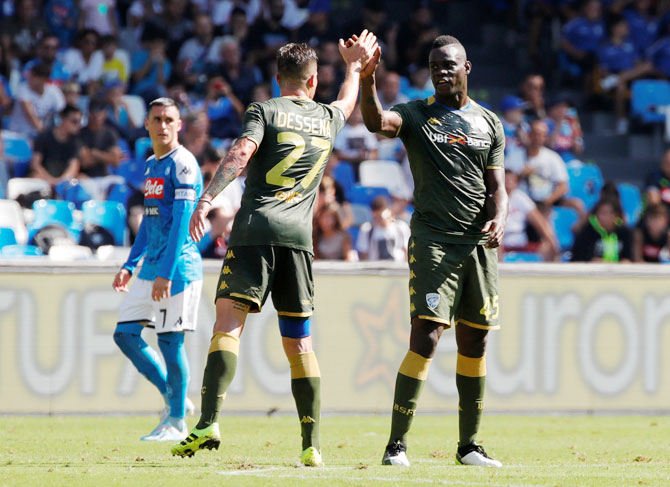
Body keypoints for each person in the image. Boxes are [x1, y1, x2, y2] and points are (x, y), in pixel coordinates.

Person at [171, 33, 379, 466]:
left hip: (254, 231)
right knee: (299, 344)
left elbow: (241, 152)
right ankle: (312, 445)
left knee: (228, 327)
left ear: (277, 78)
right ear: (313, 79)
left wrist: (207, 199)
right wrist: (353, 67)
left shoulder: (264, 110)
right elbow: (346, 102)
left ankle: (208, 421)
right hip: (299, 242)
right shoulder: (326, 116)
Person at [359, 34, 507, 467]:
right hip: (434, 241)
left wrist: (501, 217)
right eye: (434, 65)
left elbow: (499, 187)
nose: (441, 71)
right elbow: (375, 123)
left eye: (449, 64)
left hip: (479, 245)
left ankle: (469, 446)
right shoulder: (417, 114)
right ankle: (396, 445)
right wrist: (368, 80)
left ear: (467, 68)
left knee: (474, 343)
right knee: (426, 335)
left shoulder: (490, 124)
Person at [112, 97, 203, 441]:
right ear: (147, 124)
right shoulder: (152, 165)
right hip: (151, 267)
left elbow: (182, 223)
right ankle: (173, 397)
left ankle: (177, 422)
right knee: (125, 334)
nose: (163, 125)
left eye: (169, 119)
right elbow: (150, 225)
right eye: (157, 119)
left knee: (169, 343)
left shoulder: (183, 164)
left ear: (179, 125)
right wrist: (129, 265)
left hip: (177, 270)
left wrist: (166, 271)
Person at [29, 104, 83, 188]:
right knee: (36, 177)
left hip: (63, 182)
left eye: (79, 122)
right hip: (44, 177)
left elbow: (74, 166)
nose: (77, 125)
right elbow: (35, 164)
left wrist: (60, 182)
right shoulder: (45, 136)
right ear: (63, 119)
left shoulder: (76, 141)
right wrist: (50, 180)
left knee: (81, 180)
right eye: (74, 121)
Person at [571, 198, 631, 262]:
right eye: (599, 213)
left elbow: (629, 257)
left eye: (605, 213)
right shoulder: (587, 232)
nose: (601, 217)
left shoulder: (624, 233)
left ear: (615, 215)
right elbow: (579, 257)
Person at [356, 195, 410, 261]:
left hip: (398, 268)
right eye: (375, 218)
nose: (378, 220)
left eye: (380, 217)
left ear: (389, 212)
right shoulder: (366, 229)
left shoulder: (402, 227)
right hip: (374, 268)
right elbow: (364, 254)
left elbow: (407, 251)